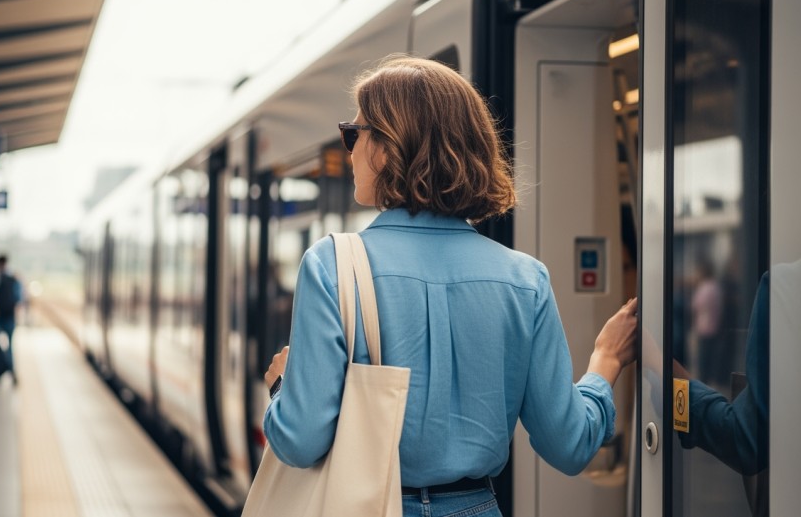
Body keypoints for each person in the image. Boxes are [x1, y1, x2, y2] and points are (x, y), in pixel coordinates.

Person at [262, 57, 638, 517]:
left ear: (387, 147)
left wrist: (283, 385)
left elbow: (299, 442)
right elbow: (569, 445)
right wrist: (606, 361)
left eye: (353, 134)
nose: (351, 151)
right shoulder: (525, 279)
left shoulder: (330, 265)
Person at [0, 255, 22, 385]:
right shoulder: (14, 278)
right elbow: (18, 297)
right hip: (10, 316)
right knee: (9, 346)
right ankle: (11, 370)